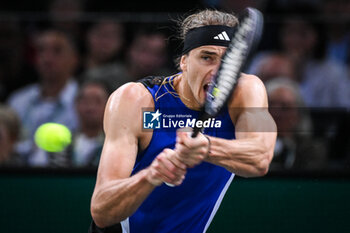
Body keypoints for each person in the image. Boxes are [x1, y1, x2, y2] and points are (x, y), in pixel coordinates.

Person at [90, 9, 276, 232]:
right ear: (184, 61)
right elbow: (102, 210)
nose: (217, 71)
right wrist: (152, 175)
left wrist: (206, 147)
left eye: (226, 60)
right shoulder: (136, 99)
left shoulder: (246, 91)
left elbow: (261, 158)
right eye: (207, 57)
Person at [7, 28, 80, 167]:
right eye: (41, 51)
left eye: (57, 51)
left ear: (74, 59)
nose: (47, 58)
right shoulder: (17, 101)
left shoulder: (87, 103)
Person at [266, 77, 327, 171]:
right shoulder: (250, 147)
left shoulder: (313, 150)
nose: (276, 113)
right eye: (270, 106)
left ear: (298, 115)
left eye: (285, 107)